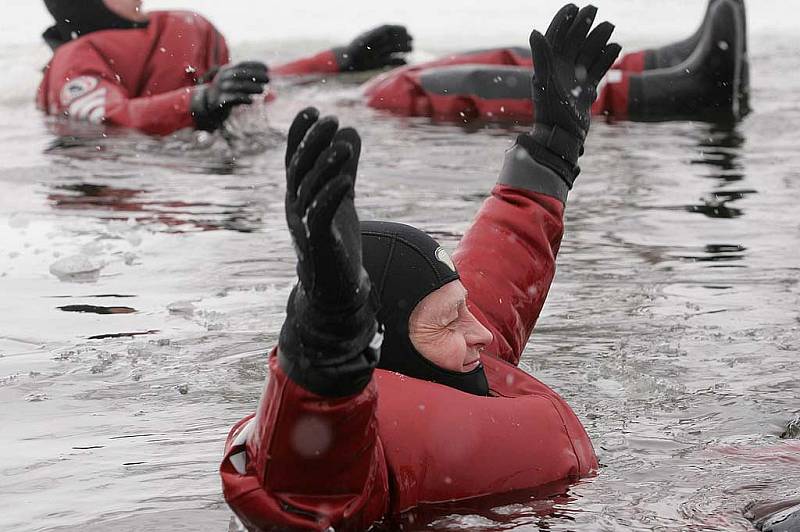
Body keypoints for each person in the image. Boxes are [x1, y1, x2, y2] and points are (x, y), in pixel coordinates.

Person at [220, 4, 620, 530]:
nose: (480, 333)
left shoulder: (442, 358)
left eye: (462, 310)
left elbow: (504, 256)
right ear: (378, 342)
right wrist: (327, 332)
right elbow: (304, 481)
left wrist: (552, 152)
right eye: (450, 322)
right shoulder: (348, 453)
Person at [36, 0, 412, 135]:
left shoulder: (169, 32)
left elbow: (244, 85)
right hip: (148, 173)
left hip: (198, 140)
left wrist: (338, 61)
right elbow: (111, 118)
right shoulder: (77, 58)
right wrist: (198, 103)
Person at [364, 0, 749, 123]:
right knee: (410, 89)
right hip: (348, 107)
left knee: (522, 56)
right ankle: (668, 94)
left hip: (326, 95)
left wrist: (335, 60)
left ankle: (653, 65)